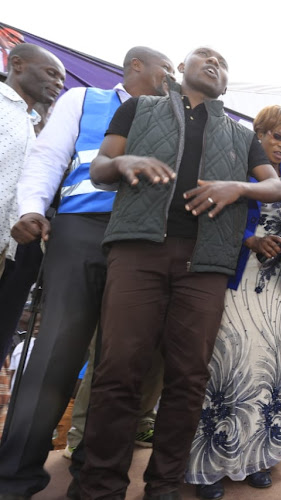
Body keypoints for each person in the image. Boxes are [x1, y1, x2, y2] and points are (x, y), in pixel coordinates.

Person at [78, 47, 281, 499]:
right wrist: (122, 163)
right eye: (203, 56)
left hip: (206, 263)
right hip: (137, 252)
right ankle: (99, 485)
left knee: (189, 377)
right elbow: (98, 168)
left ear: (226, 86)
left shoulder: (240, 133)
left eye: (222, 62)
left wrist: (238, 187)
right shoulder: (139, 107)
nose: (213, 62)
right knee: (118, 371)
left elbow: (274, 186)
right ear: (181, 68)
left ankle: (165, 485)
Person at [0, 47, 169, 499]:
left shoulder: (176, 118)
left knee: (122, 363)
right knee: (55, 352)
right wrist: (32, 209)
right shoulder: (84, 100)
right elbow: (47, 158)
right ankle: (14, 476)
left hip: (143, 242)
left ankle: (93, 475)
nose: (171, 77)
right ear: (136, 67)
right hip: (81, 231)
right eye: (165, 69)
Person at [184, 105, 281, 498]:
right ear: (258, 134)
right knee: (227, 364)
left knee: (266, 368)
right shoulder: (235, 167)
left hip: (274, 286)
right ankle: (210, 464)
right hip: (234, 279)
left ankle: (257, 457)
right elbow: (211, 218)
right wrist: (250, 240)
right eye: (277, 137)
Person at [0, 44, 63, 277]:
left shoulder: (34, 125)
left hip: (8, 247)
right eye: (51, 73)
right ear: (17, 64)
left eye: (62, 79)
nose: (58, 83)